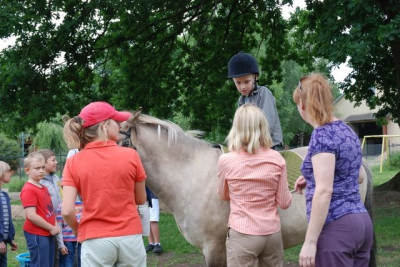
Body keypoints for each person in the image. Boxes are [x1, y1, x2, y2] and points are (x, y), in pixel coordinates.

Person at [292, 74, 373, 267]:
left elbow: (324, 191)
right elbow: (359, 176)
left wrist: (310, 242)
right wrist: (311, 176)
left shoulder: (321, 134)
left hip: (336, 229)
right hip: (362, 224)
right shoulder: (346, 130)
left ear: (303, 105)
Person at [61, 101, 147, 267]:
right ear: (105, 126)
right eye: (116, 121)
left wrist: (77, 229)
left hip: (94, 239)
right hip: (130, 236)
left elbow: (67, 211)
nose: (120, 125)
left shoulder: (74, 162)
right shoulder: (131, 156)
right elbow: (141, 199)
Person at [217, 104, 292, 267]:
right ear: (262, 127)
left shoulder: (226, 160)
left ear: (236, 129)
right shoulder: (277, 159)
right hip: (272, 235)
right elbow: (285, 203)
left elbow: (223, 195)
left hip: (242, 235)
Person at [228, 52, 283, 148]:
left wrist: (251, 143)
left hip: (269, 145)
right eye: (238, 83)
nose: (243, 87)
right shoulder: (241, 100)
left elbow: (267, 124)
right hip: (251, 146)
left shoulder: (264, 93)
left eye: (246, 81)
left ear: (255, 77)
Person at [20, 152, 60, 267]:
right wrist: (51, 227)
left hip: (48, 232)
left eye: (43, 167)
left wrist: (55, 225)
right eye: (37, 168)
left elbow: (50, 210)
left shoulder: (43, 187)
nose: (41, 171)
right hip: (37, 234)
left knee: (48, 263)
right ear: (27, 170)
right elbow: (31, 216)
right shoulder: (28, 190)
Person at [37, 149, 67, 266]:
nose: (56, 162)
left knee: (58, 257)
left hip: (60, 223)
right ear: (43, 163)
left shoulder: (55, 178)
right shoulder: (40, 182)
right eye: (53, 160)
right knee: (50, 259)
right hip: (49, 225)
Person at [0, 161, 18, 267]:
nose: (10, 173)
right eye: (7, 171)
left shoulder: (4, 195)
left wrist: (10, 239)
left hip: (4, 242)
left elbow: (7, 220)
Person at [56, 199, 83, 267]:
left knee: (83, 263)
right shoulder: (61, 206)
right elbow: (59, 227)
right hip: (67, 242)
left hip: (81, 240)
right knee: (67, 264)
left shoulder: (83, 204)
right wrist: (61, 245)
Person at [145, 188, 162, 254]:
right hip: (143, 195)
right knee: (147, 219)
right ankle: (151, 243)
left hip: (152, 194)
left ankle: (157, 243)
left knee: (153, 219)